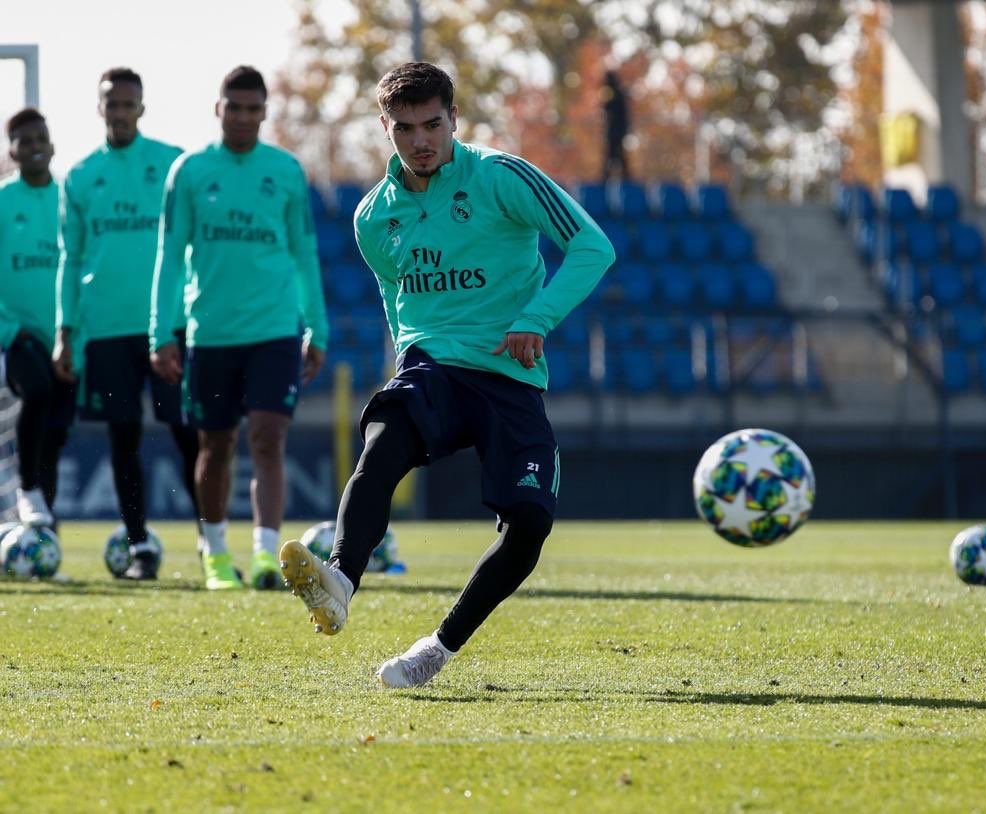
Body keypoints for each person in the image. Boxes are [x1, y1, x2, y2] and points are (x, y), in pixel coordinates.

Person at [278, 62, 615, 687]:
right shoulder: (373, 220)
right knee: (381, 446)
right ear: (385, 128)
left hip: (510, 375)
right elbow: (397, 305)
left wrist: (536, 320)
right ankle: (340, 580)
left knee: (529, 528)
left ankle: (436, 649)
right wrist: (409, 358)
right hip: (432, 365)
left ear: (454, 120)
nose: (420, 140)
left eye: (432, 124)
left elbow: (593, 246)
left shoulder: (502, 177)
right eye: (404, 128)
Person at [150, 65, 328, 591]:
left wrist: (316, 328)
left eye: (254, 109)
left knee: (269, 438)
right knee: (217, 446)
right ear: (218, 108)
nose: (245, 117)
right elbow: (168, 256)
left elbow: (305, 255)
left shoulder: (287, 171)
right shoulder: (188, 172)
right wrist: (160, 332)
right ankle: (216, 555)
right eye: (236, 107)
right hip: (211, 334)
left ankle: (266, 555)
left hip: (274, 331)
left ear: (265, 112)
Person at [53, 68, 200, 580]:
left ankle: (211, 543)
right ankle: (140, 548)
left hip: (168, 324)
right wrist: (65, 331)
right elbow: (70, 260)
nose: (119, 111)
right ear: (100, 108)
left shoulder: (172, 164)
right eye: (111, 103)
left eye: (127, 103)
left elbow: (192, 240)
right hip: (108, 330)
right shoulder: (79, 175)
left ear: (142, 107)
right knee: (123, 437)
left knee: (188, 433)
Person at [0, 109, 75, 529]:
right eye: (24, 141)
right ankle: (27, 490)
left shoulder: (70, 197)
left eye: (39, 139)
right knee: (37, 391)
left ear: (52, 145)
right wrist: (8, 329)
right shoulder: (3, 201)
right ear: (12, 150)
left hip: (65, 336)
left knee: (56, 435)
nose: (33, 147)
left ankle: (42, 529)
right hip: (17, 333)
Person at [601, 70, 630, 181]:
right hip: (616, 131)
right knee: (615, 156)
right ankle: (620, 177)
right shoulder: (616, 94)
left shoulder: (615, 95)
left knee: (615, 155)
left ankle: (607, 178)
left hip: (616, 132)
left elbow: (611, 111)